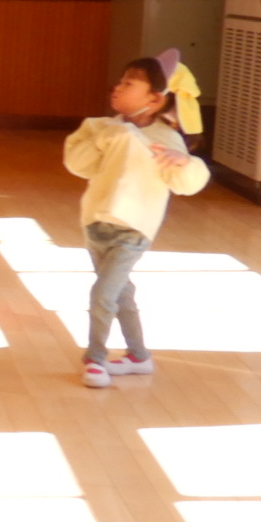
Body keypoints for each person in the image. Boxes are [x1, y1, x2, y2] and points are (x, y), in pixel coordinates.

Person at [62, 51, 210, 388]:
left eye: (129, 84)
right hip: (96, 225)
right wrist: (109, 136)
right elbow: (78, 163)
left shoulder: (166, 139)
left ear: (154, 99)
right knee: (121, 294)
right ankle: (139, 356)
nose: (117, 88)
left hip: (133, 231)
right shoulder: (101, 127)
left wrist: (184, 162)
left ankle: (95, 359)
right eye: (120, 81)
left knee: (103, 294)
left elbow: (188, 183)